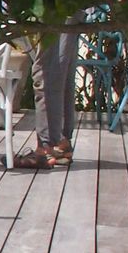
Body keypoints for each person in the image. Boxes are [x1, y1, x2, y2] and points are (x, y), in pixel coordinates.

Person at [15, 18, 82, 168]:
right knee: (61, 72)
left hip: (53, 7)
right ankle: (61, 145)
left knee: (47, 74)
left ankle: (45, 150)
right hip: (69, 6)